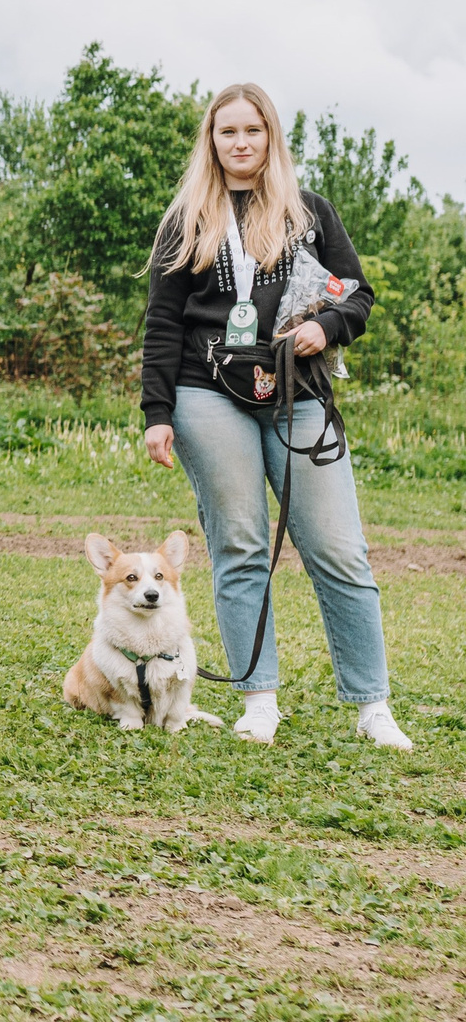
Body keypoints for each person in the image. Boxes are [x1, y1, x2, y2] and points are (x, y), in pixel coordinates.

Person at [140, 83, 408, 749]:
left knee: (339, 548)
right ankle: (259, 699)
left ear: (271, 137)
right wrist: (157, 412)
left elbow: (358, 294)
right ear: (212, 140)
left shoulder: (309, 211)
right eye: (227, 131)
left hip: (297, 389)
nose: (240, 143)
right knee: (240, 545)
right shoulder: (187, 218)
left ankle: (372, 704)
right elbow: (163, 322)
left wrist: (329, 328)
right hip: (207, 389)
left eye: (252, 131)